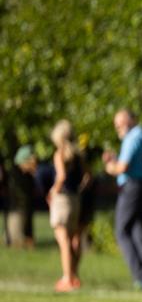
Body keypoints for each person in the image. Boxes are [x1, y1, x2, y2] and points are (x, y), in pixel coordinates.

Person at [103, 109, 142, 289]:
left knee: (122, 231)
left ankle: (140, 276)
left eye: (121, 122)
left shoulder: (133, 136)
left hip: (132, 187)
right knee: (138, 229)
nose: (118, 127)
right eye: (116, 123)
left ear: (132, 120)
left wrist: (110, 166)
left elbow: (122, 167)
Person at [48, 120, 90, 291]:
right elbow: (88, 176)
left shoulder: (60, 154)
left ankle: (67, 279)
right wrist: (79, 189)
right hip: (75, 199)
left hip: (62, 199)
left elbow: (61, 176)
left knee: (63, 240)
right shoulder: (79, 155)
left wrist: (53, 191)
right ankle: (75, 276)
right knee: (74, 239)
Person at [6, 146, 38, 248]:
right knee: (16, 242)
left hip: (26, 211)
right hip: (16, 211)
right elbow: (20, 195)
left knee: (26, 241)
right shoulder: (14, 174)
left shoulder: (29, 175)